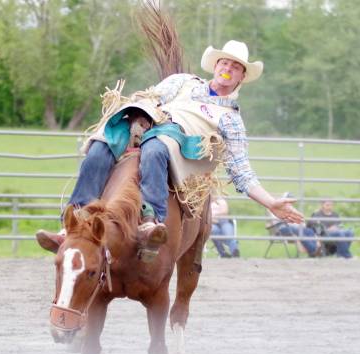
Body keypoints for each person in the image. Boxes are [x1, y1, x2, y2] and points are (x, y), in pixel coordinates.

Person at [36, 40, 304, 257]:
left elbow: (241, 171)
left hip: (179, 147)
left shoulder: (231, 120)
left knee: (156, 149)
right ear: (216, 65)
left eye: (235, 66)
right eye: (224, 62)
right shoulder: (183, 82)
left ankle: (151, 219)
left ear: (242, 77)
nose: (228, 68)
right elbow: (152, 96)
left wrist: (270, 202)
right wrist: (140, 112)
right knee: (101, 147)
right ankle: (72, 223)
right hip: (147, 128)